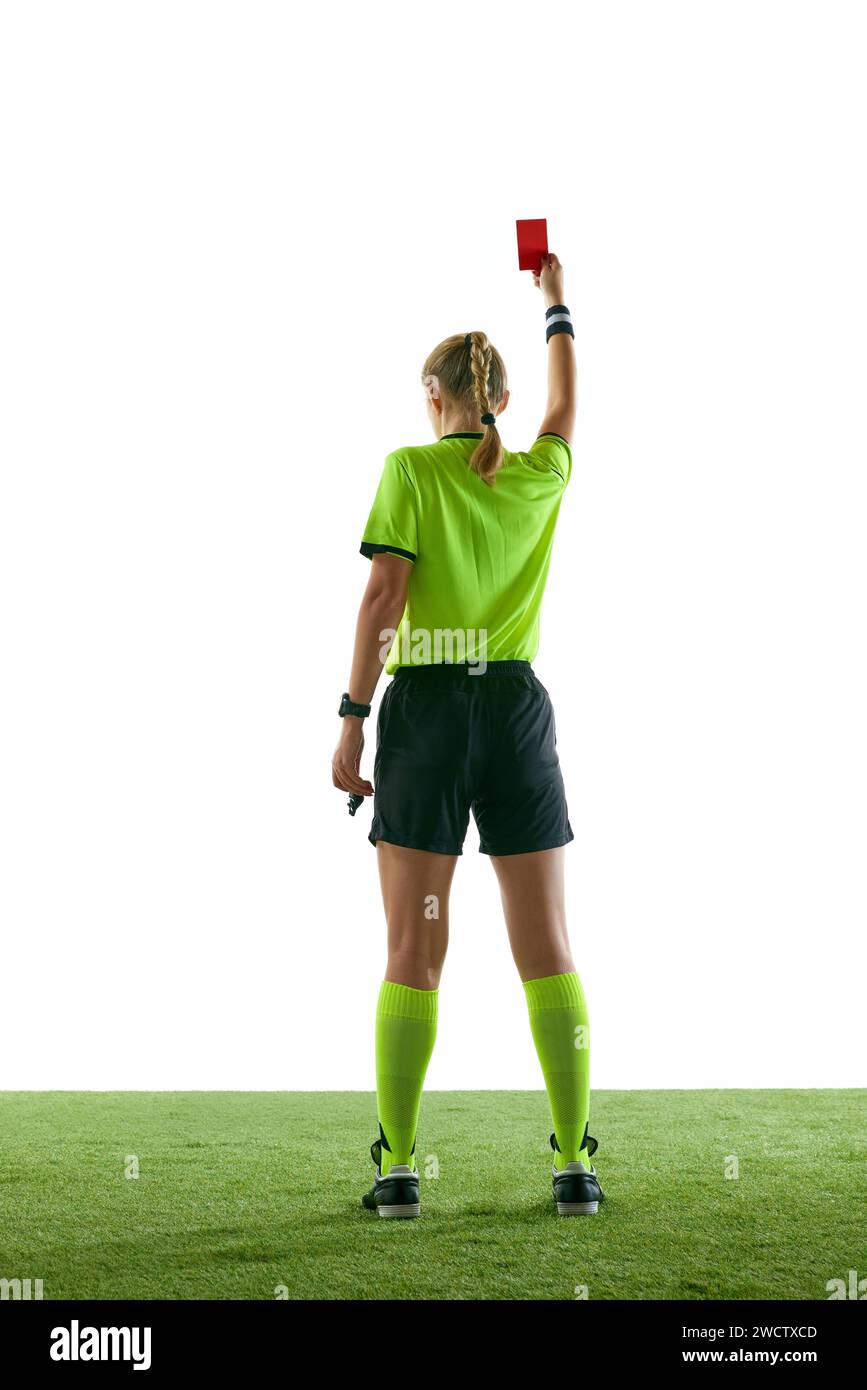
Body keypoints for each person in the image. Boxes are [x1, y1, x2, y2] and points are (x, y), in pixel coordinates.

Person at [332, 253, 603, 1219]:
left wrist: (351, 719)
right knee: (548, 946)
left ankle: (399, 1170)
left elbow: (384, 598)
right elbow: (564, 412)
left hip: (428, 718)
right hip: (517, 715)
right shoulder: (539, 472)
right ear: (501, 401)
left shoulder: (409, 469)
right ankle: (573, 1165)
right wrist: (555, 303)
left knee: (414, 947)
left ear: (433, 395)